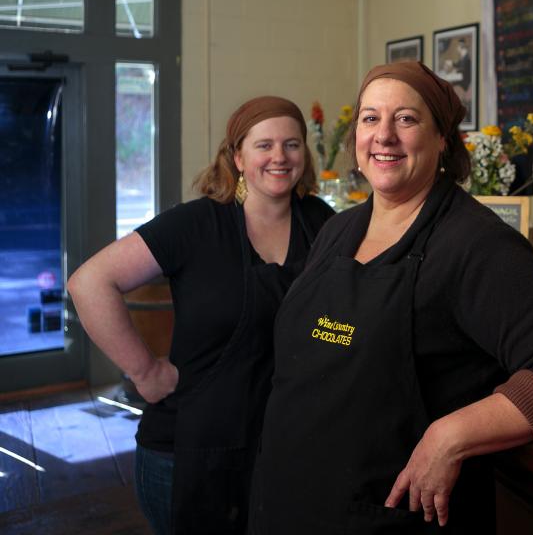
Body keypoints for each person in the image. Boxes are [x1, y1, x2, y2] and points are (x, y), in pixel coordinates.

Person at [248, 62, 533, 533]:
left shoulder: (476, 244)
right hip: (288, 503)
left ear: (442, 139)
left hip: (384, 515)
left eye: (407, 119)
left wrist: (449, 436)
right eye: (371, 118)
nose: (384, 136)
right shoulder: (338, 229)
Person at [67, 96, 336, 534]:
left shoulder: (322, 223)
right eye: (264, 145)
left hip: (281, 450)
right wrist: (145, 371)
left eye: (292, 145)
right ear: (237, 157)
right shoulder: (194, 225)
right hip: (187, 453)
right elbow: (89, 282)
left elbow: (339, 318)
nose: (279, 157)